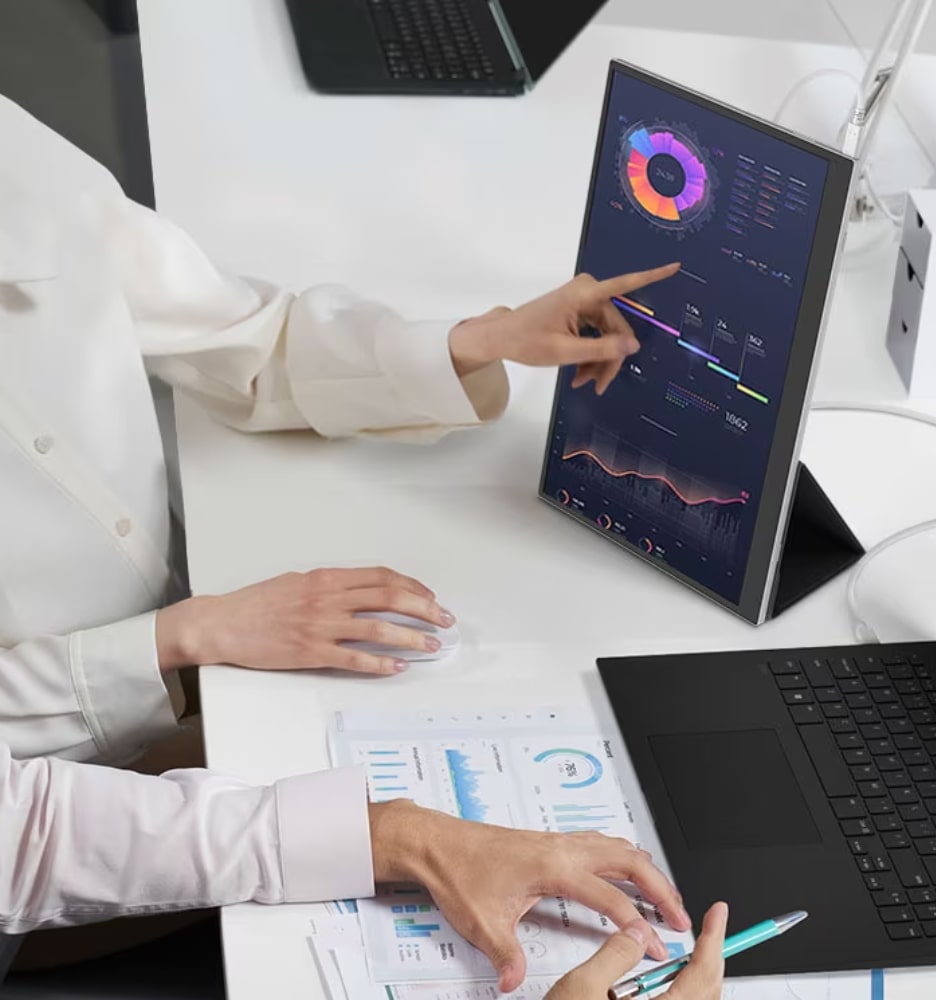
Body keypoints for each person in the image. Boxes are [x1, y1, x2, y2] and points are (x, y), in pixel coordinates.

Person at [0, 91, 694, 993]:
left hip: (148, 715)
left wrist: (475, 342)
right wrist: (177, 643)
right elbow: (25, 837)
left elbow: (247, 340)